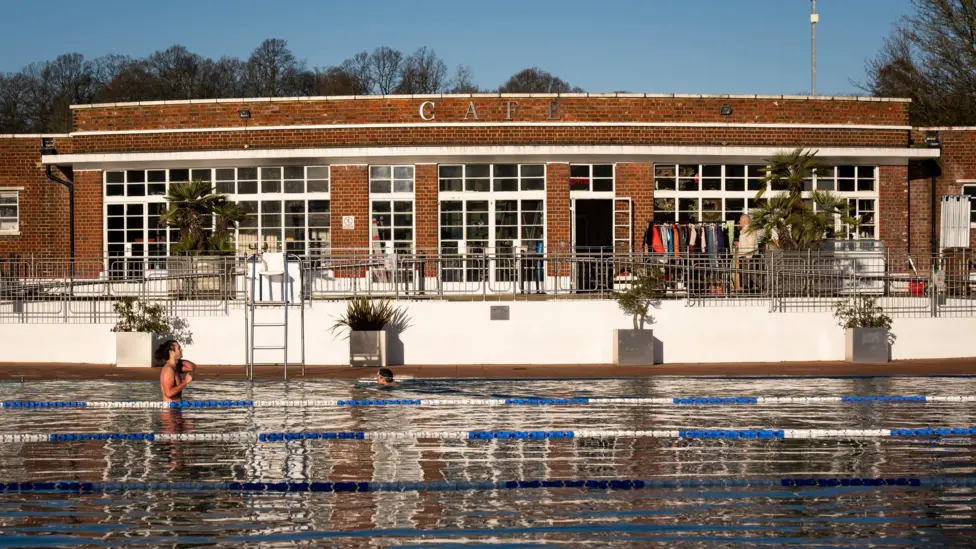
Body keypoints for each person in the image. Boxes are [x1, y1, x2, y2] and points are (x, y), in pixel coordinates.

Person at [733, 214, 758, 292]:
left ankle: (758, 285)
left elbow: (751, 243)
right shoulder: (745, 229)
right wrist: (739, 244)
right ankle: (746, 287)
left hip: (747, 255)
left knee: (749, 272)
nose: (739, 222)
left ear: (744, 221)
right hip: (744, 254)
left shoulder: (749, 229)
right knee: (745, 272)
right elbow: (746, 242)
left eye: (740, 220)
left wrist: (748, 256)